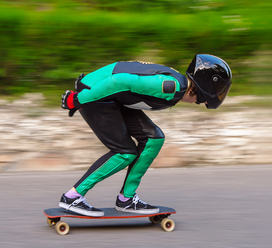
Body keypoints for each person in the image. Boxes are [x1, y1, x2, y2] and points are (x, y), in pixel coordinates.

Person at [59, 54, 232, 217]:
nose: (216, 95)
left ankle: (126, 199)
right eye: (218, 89)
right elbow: (120, 81)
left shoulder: (177, 86)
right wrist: (77, 100)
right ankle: (72, 197)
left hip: (112, 97)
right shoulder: (170, 87)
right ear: (207, 84)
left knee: (153, 139)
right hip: (97, 93)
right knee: (124, 153)